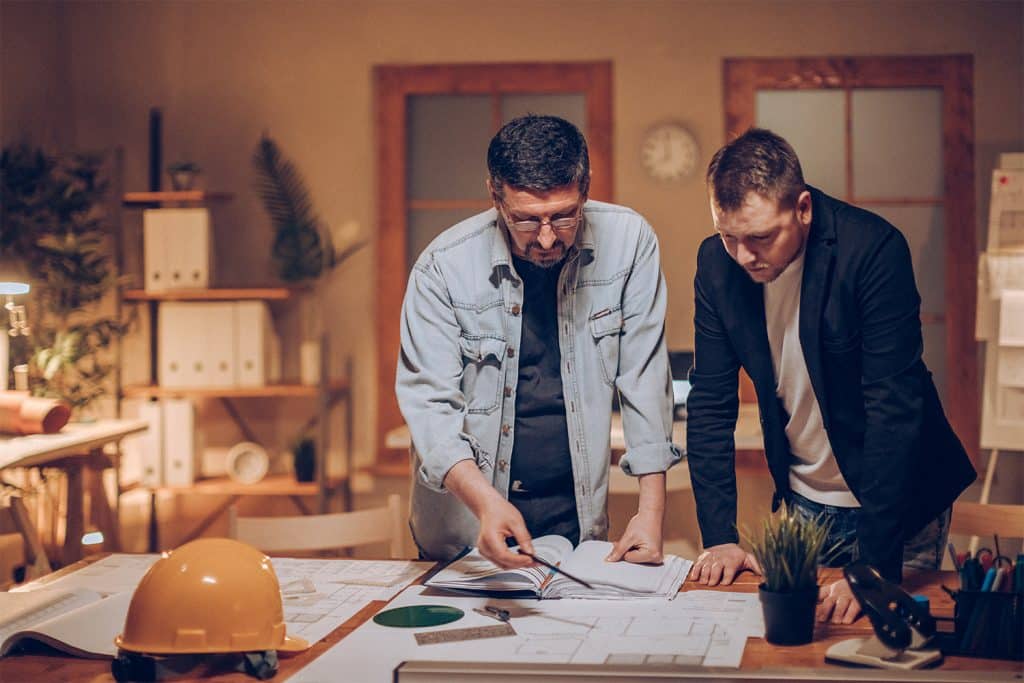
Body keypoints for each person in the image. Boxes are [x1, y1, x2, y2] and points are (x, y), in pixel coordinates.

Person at [687, 128, 976, 623]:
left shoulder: (872, 249)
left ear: (802, 208)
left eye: (759, 237)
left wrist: (874, 565)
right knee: (806, 648)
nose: (743, 255)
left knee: (885, 646)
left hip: (897, 500)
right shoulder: (717, 265)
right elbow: (711, 403)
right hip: (804, 501)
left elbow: (894, 407)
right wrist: (720, 538)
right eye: (728, 236)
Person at [397, 115, 681, 569]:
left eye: (563, 216)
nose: (547, 238)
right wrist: (486, 503)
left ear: (585, 188)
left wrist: (650, 513)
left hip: (575, 517)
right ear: (495, 195)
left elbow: (644, 378)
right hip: (465, 522)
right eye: (527, 221)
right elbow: (430, 410)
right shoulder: (442, 269)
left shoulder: (630, 243)